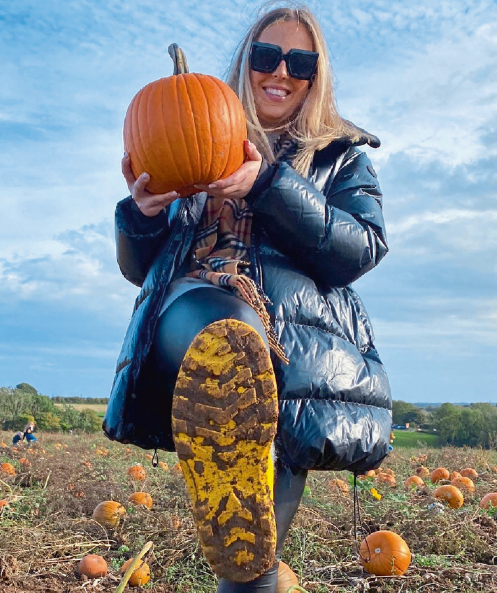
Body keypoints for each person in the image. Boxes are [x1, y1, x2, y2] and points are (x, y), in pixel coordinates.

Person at [103, 3, 391, 591]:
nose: (280, 71)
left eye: (299, 62)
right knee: (230, 336)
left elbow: (359, 248)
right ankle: (232, 376)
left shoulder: (340, 157)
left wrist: (267, 184)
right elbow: (139, 270)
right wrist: (142, 215)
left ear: (316, 76)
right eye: (267, 56)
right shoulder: (198, 131)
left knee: (249, 564)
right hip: (199, 310)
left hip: (293, 360)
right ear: (246, 62)